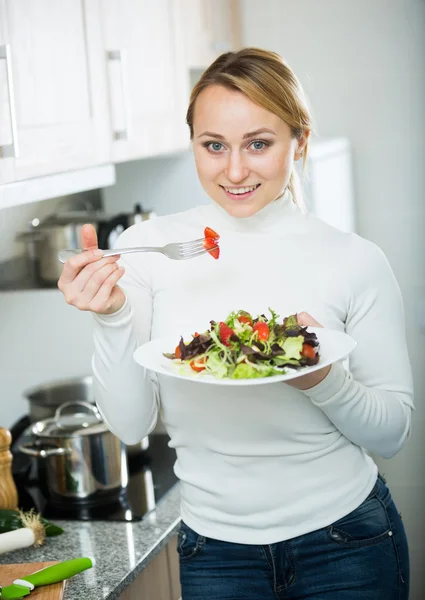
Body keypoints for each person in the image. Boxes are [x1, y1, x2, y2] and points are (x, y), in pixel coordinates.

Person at [58, 48, 413, 599]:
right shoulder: (148, 249)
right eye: (214, 145)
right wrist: (113, 316)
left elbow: (391, 432)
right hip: (215, 554)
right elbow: (130, 426)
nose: (236, 170)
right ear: (194, 144)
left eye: (259, 143)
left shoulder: (354, 260)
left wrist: (322, 377)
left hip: (347, 543)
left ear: (300, 141)